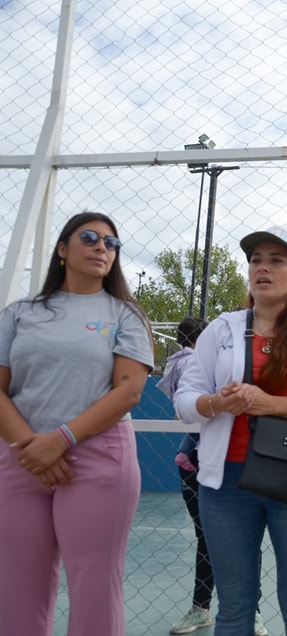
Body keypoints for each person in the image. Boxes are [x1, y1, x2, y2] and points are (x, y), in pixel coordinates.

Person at [173, 225, 287, 636]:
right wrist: (218, 403)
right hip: (226, 484)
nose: (263, 269)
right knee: (234, 609)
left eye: (276, 261)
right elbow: (186, 400)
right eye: (256, 260)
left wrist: (268, 405)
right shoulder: (222, 329)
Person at [0, 211, 155, 635]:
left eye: (111, 242)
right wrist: (33, 448)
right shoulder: (19, 314)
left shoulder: (126, 315)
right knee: (16, 586)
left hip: (97, 459)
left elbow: (128, 391)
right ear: (62, 250)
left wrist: (61, 440)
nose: (101, 247)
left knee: (93, 586)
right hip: (22, 457)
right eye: (89, 238)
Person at [159, 317, 271, 636]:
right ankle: (202, 607)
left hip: (238, 460)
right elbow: (187, 404)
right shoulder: (190, 364)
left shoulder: (244, 359)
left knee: (247, 540)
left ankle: (252, 610)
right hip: (198, 464)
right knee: (206, 538)